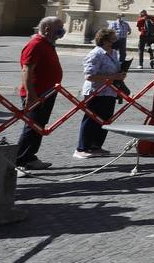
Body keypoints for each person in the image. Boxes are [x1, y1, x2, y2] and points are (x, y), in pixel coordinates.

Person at [15, 16, 65, 171]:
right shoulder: (35, 44)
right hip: (36, 94)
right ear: (47, 29)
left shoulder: (47, 44)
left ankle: (30, 157)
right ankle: (19, 161)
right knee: (32, 126)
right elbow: (27, 69)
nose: (62, 31)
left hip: (46, 93)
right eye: (60, 27)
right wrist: (31, 94)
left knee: (38, 126)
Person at [77, 27, 126, 159]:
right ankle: (82, 148)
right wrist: (113, 77)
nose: (116, 41)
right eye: (113, 39)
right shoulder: (96, 54)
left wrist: (120, 75)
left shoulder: (113, 53)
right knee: (91, 119)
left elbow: (114, 71)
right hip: (95, 91)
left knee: (105, 119)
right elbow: (89, 76)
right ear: (105, 41)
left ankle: (96, 146)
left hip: (109, 92)